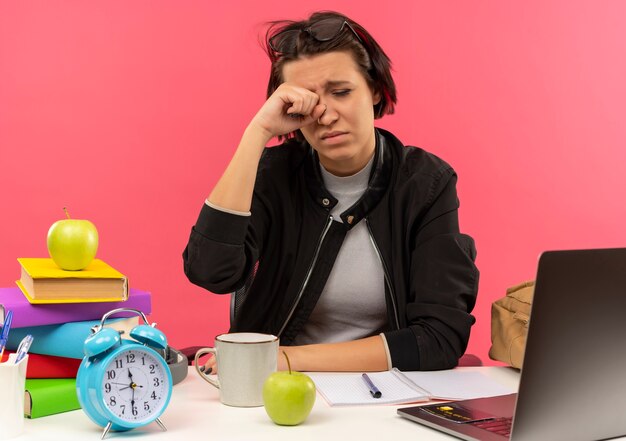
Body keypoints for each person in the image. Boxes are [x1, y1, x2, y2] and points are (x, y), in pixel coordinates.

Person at [183, 11, 478, 373]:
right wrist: (258, 132)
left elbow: (438, 339)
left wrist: (283, 359)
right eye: (306, 100)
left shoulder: (424, 184)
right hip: (270, 392)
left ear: (373, 89)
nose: (325, 114)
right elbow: (210, 271)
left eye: (341, 92)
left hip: (377, 392)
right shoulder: (273, 175)